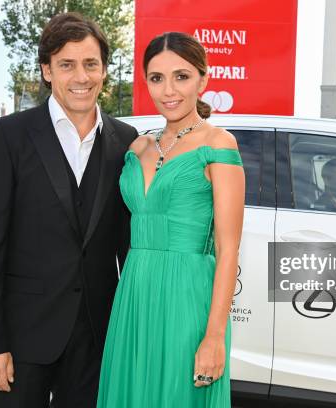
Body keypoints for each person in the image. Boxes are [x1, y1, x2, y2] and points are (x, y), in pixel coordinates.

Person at [0, 12, 137, 408]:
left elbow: (127, 247)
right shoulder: (8, 136)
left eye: (91, 64)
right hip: (20, 338)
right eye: (67, 64)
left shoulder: (126, 141)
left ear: (104, 70)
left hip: (96, 338)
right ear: (47, 71)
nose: (81, 76)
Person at [97, 32, 245, 408]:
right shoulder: (137, 147)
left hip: (187, 298)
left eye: (181, 76)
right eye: (156, 78)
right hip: (134, 295)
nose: (168, 90)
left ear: (203, 80)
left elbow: (229, 250)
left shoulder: (219, 144)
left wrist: (214, 336)